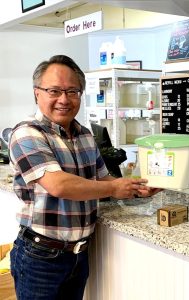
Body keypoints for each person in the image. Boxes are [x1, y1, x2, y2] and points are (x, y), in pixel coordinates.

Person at [9, 54, 160, 300]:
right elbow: (58, 185)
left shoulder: (84, 134)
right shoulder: (27, 133)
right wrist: (114, 189)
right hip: (40, 256)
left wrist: (138, 187)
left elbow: (102, 179)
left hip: (78, 256)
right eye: (54, 91)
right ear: (37, 93)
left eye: (72, 91)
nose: (64, 99)